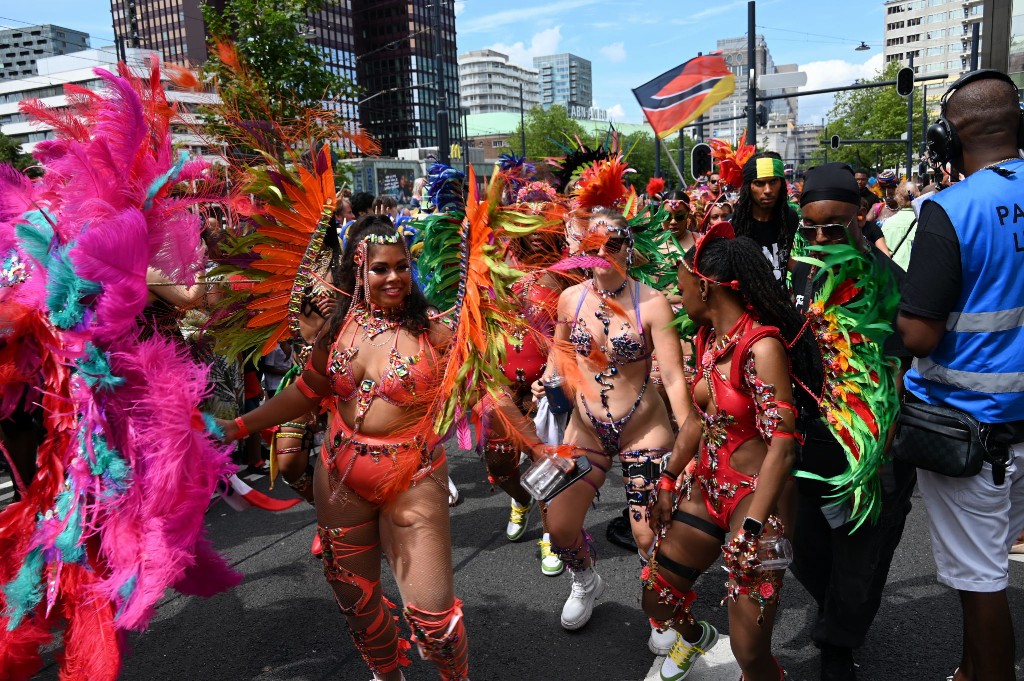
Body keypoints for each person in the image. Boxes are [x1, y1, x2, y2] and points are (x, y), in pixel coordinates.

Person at [220, 215, 472, 681]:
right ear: (358, 270)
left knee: (434, 621)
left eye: (401, 266)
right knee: (355, 600)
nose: (394, 277)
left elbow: (474, 388)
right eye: (380, 268)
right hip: (339, 477)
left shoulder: (436, 331)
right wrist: (238, 426)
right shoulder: (338, 330)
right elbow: (309, 388)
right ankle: (385, 674)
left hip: (411, 480)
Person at [645, 223, 820, 681]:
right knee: (657, 595)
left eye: (681, 287)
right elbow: (698, 422)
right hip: (709, 487)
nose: (678, 297)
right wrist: (667, 479)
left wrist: (754, 529)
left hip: (757, 499)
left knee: (749, 653)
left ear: (705, 286)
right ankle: (697, 638)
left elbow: (783, 446)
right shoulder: (707, 340)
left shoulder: (761, 347)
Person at [897, 70, 1024, 681]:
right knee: (993, 567)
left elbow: (920, 334)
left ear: (948, 135)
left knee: (981, 583)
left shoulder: (949, 210)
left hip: (971, 434)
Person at [788, 163, 915, 681]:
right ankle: (837, 609)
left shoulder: (892, 283)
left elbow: (911, 366)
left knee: (861, 558)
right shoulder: (799, 272)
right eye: (809, 227)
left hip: (872, 452)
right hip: (805, 445)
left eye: (833, 228)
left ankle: (839, 642)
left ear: (861, 218)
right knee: (799, 546)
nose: (819, 238)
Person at [544, 208, 690, 653]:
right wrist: (550, 381)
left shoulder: (652, 302)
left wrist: (690, 444)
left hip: (643, 431)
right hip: (586, 430)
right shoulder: (570, 300)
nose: (604, 254)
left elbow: (676, 378)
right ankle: (586, 580)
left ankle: (661, 607)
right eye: (594, 246)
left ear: (629, 247)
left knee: (647, 533)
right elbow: (560, 355)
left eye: (613, 245)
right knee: (559, 524)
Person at [730, 152, 799, 283]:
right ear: (748, 187)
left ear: (782, 183)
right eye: (759, 183)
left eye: (773, 181)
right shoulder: (732, 224)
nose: (767, 190)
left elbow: (782, 259)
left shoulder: (790, 218)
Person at [879, 181, 919, 270]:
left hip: (895, 273)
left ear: (898, 199)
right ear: (917, 196)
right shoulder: (923, 221)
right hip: (915, 274)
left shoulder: (888, 223)